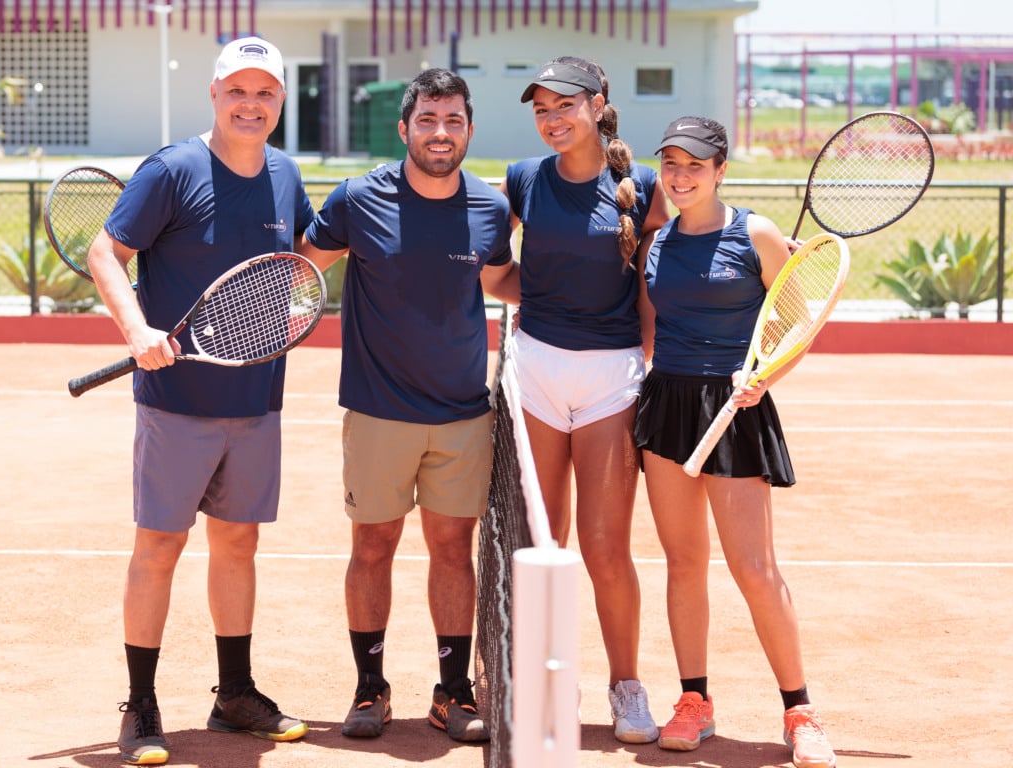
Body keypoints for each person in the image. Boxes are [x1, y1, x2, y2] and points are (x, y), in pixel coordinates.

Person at [86, 36, 313, 765]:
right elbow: (104, 252)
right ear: (214, 93)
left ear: (280, 100)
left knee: (238, 544)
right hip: (175, 402)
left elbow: (297, 261)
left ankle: (234, 695)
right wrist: (137, 327)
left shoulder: (285, 174)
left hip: (256, 397)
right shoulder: (173, 169)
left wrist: (292, 304)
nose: (252, 104)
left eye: (266, 93)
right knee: (160, 546)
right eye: (239, 90)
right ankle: (141, 704)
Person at [297, 67, 518, 744]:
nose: (440, 132)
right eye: (427, 119)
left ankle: (452, 693)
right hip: (377, 411)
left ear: (469, 129)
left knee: (453, 548)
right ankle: (370, 690)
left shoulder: (488, 209)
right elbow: (301, 267)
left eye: (453, 121)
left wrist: (586, 283)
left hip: (460, 414)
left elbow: (502, 281)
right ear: (405, 129)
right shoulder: (357, 199)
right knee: (373, 546)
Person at [634, 115, 837, 768]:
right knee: (683, 562)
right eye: (671, 163)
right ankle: (695, 701)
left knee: (753, 567)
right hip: (668, 405)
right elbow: (648, 331)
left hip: (736, 406)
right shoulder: (656, 243)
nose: (680, 175)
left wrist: (763, 379)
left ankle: (799, 711)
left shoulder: (756, 233)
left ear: (721, 170)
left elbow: (798, 320)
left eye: (695, 164)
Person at [501, 55, 670, 744]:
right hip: (536, 370)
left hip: (612, 379)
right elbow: (493, 265)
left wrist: (648, 360)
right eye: (541, 108)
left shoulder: (647, 187)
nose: (552, 119)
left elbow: (658, 283)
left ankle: (626, 686)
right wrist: (537, 303)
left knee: (605, 547)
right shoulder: (521, 180)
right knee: (544, 541)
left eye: (565, 105)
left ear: (599, 104)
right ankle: (547, 684)